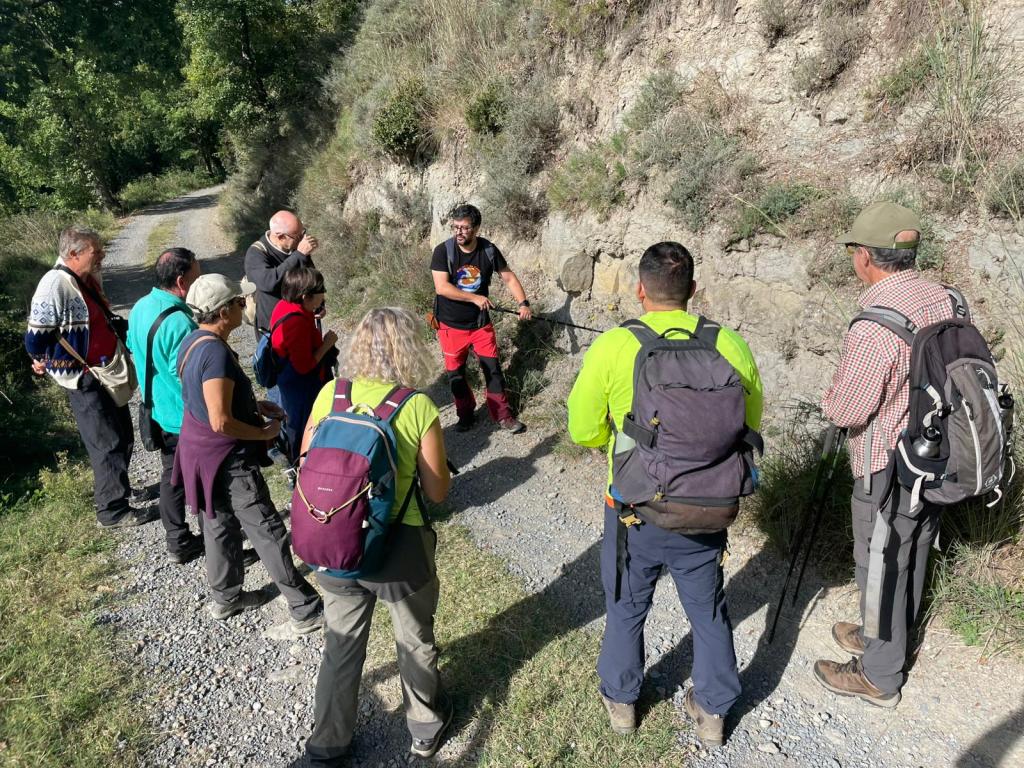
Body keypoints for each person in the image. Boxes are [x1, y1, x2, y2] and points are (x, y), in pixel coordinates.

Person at [567, 242, 763, 747]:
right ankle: (713, 710)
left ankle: (622, 701)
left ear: (640, 290)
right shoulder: (730, 344)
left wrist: (615, 444)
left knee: (626, 602)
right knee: (708, 608)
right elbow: (749, 423)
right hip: (708, 506)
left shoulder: (614, 346)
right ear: (693, 290)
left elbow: (582, 429)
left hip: (635, 506)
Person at [815, 201, 957, 707]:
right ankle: (888, 639)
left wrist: (828, 400)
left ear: (865, 256)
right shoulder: (946, 299)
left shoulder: (876, 324)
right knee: (913, 550)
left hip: (887, 465)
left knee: (877, 563)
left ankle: (878, 675)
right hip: (936, 456)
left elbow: (848, 409)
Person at [302, 307, 453, 765]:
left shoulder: (331, 393)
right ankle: (424, 728)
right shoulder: (417, 405)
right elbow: (437, 491)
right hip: (399, 545)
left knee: (341, 644)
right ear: (410, 349)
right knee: (414, 639)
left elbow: (307, 459)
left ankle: (328, 742)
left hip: (336, 542)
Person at [172, 273, 323, 631]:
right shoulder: (215, 354)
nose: (245, 307)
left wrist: (253, 405)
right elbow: (220, 420)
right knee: (267, 528)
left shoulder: (192, 340)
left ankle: (226, 598)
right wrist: (262, 431)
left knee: (218, 525)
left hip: (198, 454)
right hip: (226, 459)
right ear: (224, 311)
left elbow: (206, 399)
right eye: (240, 302)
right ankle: (304, 609)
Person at [25, 226, 158, 529]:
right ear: (74, 254)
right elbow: (35, 338)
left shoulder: (84, 278)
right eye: (95, 251)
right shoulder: (53, 284)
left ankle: (121, 489)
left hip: (104, 373)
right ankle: (112, 511)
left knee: (122, 434)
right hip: (84, 378)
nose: (102, 255)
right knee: (106, 442)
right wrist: (44, 361)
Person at [126, 248, 204, 563]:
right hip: (184, 416)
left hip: (157, 409)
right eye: (197, 278)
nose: (199, 284)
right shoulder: (181, 322)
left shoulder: (140, 307)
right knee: (203, 481)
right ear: (181, 281)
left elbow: (132, 347)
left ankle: (177, 540)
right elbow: (189, 375)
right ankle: (216, 543)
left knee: (172, 476)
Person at [430, 203, 530, 434]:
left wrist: (523, 303)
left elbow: (509, 278)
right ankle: (465, 415)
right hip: (450, 326)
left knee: (492, 369)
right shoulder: (443, 251)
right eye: (455, 227)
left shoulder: (488, 250)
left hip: (480, 325)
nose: (459, 232)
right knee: (456, 375)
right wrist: (475, 298)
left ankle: (503, 415)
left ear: (475, 229)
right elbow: (442, 288)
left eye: (464, 228)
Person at [269, 266, 338, 462]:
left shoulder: (285, 305)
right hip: (301, 386)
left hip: (290, 380)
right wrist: (326, 344)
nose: (324, 294)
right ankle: (300, 465)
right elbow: (304, 367)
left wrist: (313, 314)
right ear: (306, 296)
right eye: (321, 290)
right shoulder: (296, 323)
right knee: (303, 426)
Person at [244, 210, 319, 335]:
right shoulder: (256, 253)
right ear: (280, 236)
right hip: (275, 327)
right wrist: (299, 255)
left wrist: (319, 304)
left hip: (302, 320)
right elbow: (269, 282)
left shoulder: (296, 248)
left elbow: (311, 278)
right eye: (298, 236)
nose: (302, 239)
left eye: (303, 233)